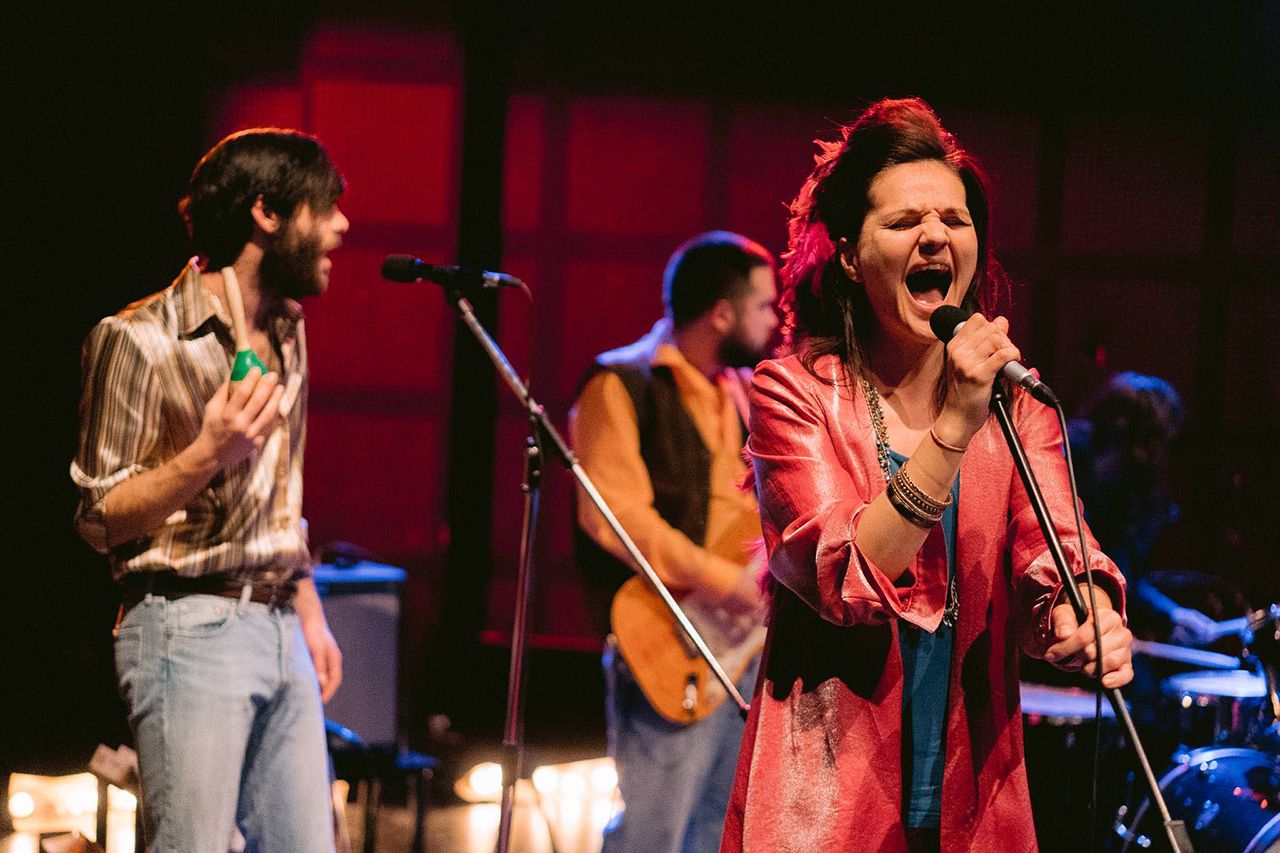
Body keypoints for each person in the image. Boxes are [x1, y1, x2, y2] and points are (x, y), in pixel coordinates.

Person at [719, 99, 1133, 853]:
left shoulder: (1014, 402)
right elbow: (843, 575)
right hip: (827, 806)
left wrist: (1086, 615)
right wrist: (952, 427)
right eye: (905, 221)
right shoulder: (793, 394)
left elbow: (1056, 552)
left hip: (975, 801)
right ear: (850, 256)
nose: (936, 234)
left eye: (955, 218)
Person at [71, 128, 349, 852]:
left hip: (279, 621)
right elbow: (99, 516)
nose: (341, 225)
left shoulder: (288, 328)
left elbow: (279, 490)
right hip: (187, 626)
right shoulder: (139, 337)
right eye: (324, 208)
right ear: (266, 212)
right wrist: (207, 453)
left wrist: (308, 607)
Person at [570, 231, 779, 853]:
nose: (777, 320)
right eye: (764, 305)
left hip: (738, 645)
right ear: (722, 313)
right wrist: (728, 583)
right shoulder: (622, 382)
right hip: (671, 638)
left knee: (717, 835)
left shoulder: (740, 389)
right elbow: (614, 519)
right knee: (652, 838)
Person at [1068, 372, 1222, 645]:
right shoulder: (1067, 474)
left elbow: (1121, 576)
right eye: (1163, 444)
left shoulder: (1125, 493)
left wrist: (1170, 614)